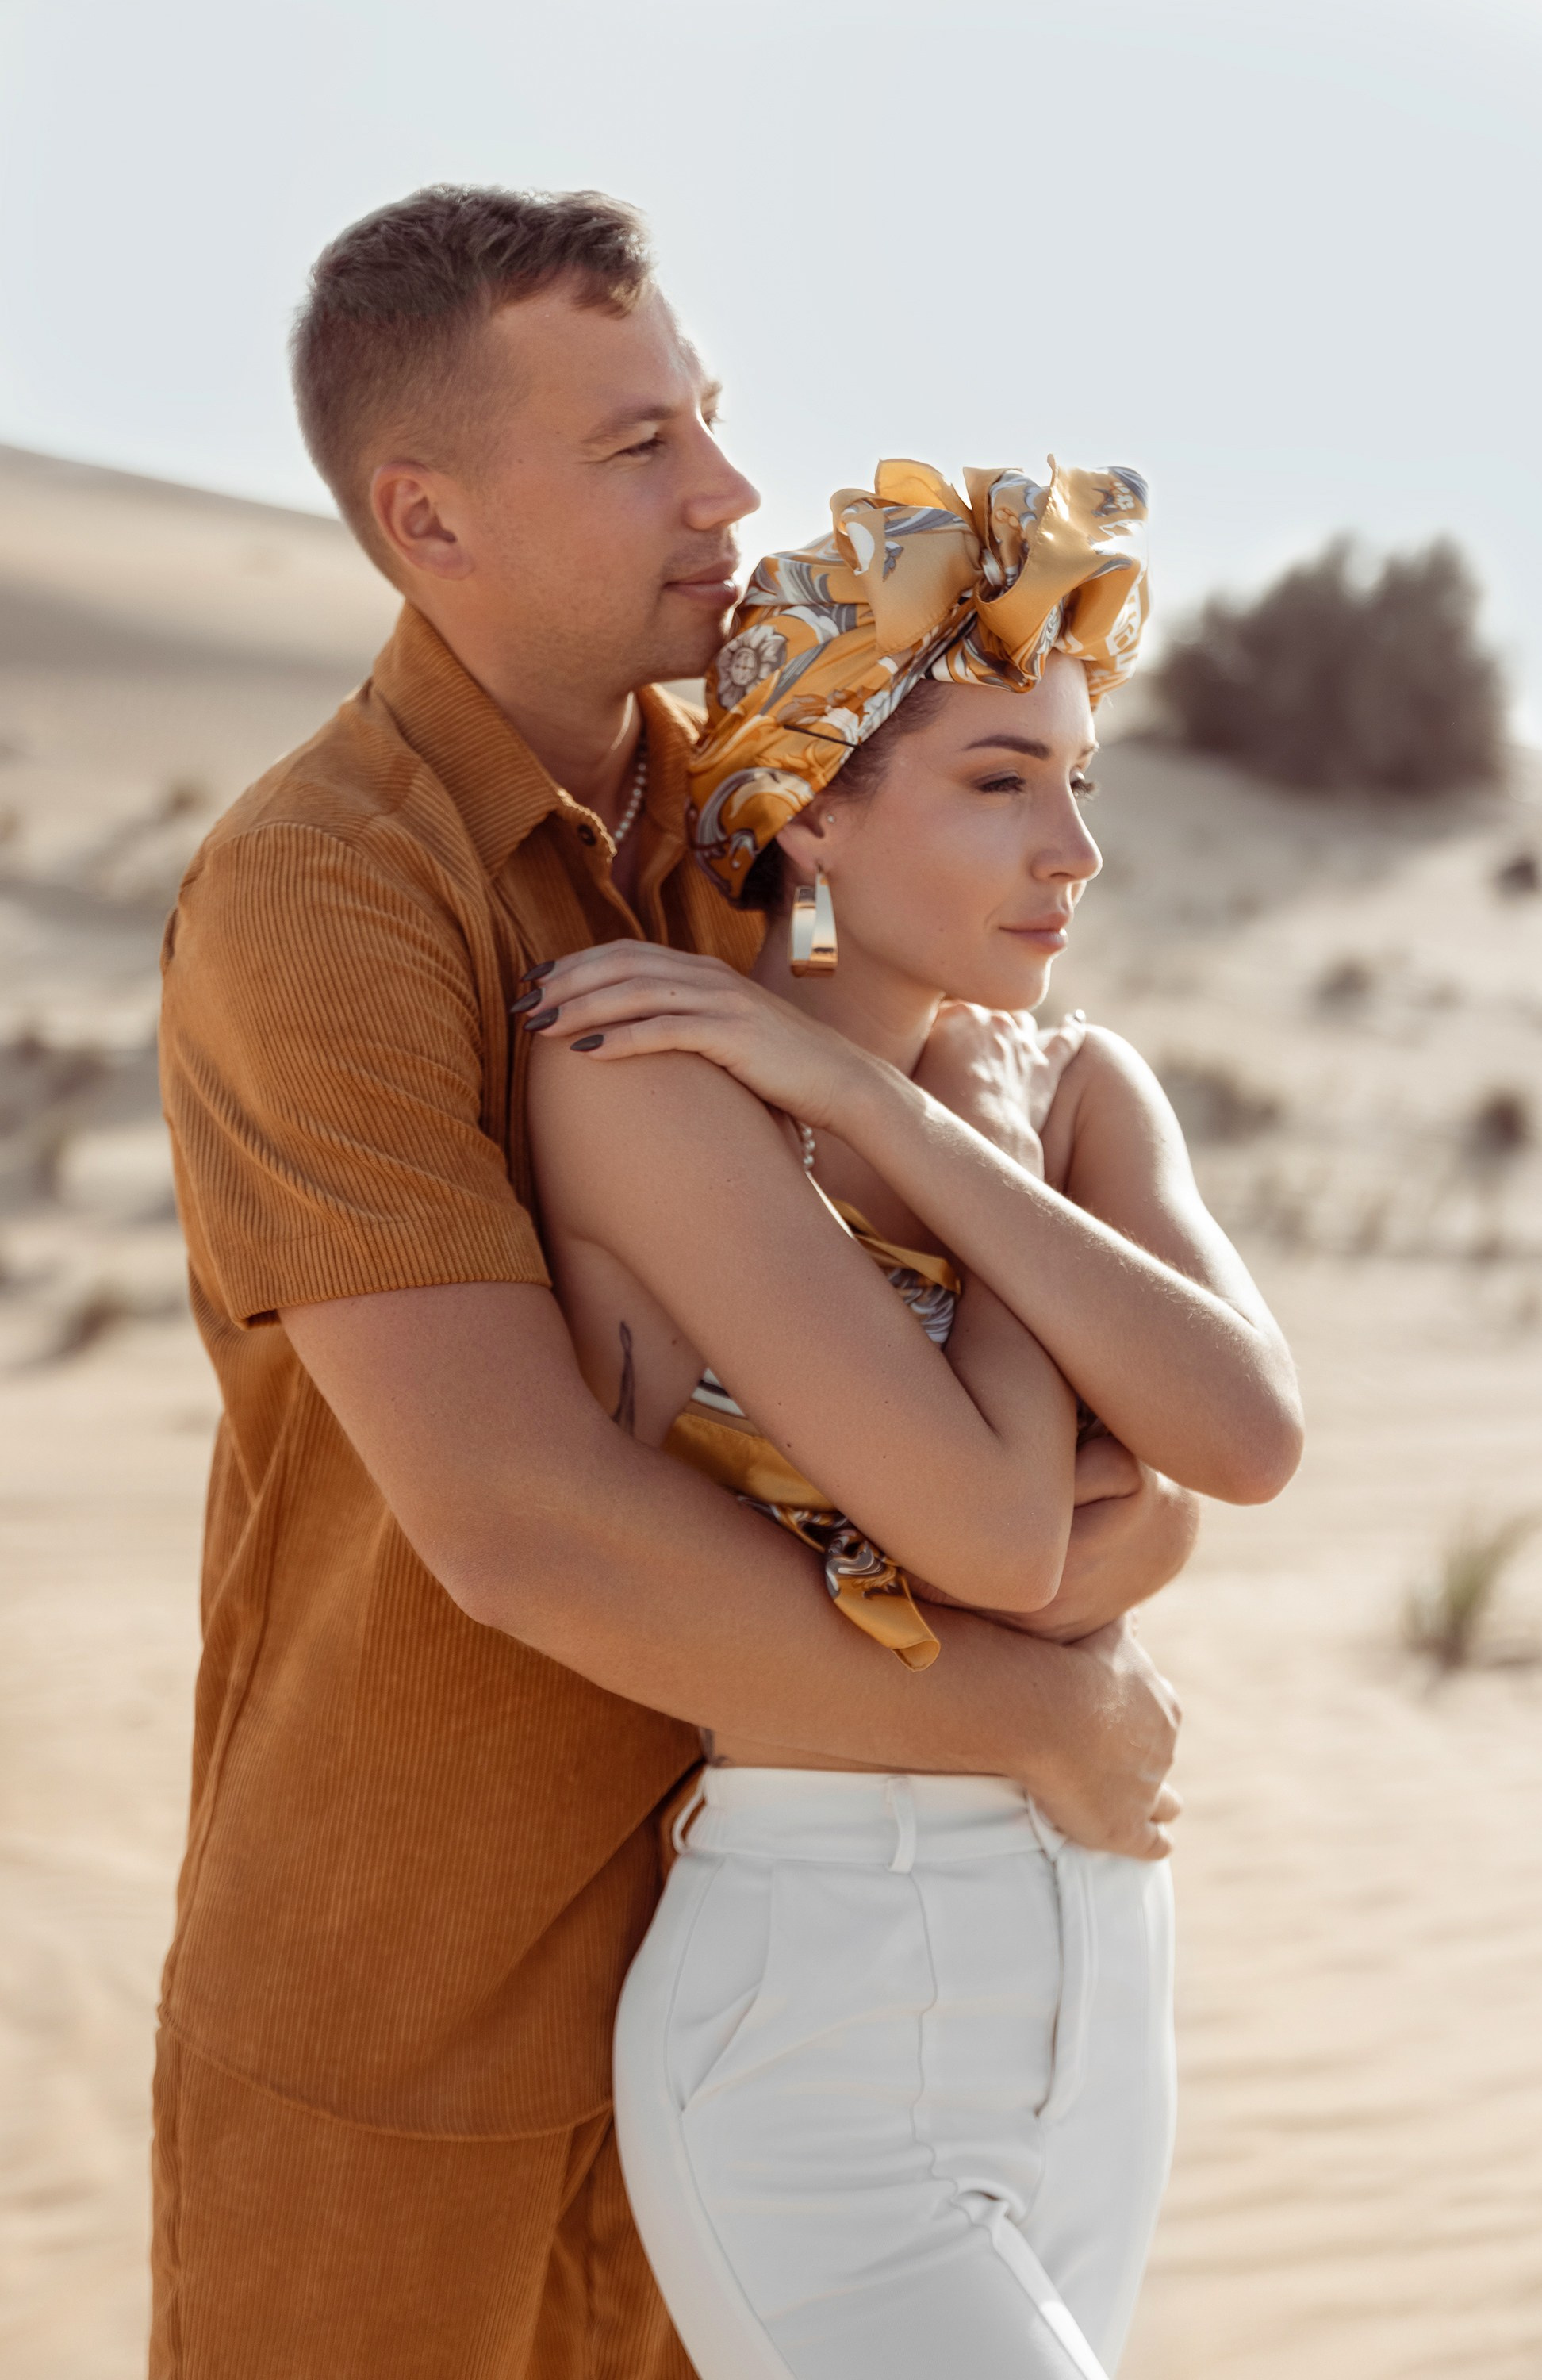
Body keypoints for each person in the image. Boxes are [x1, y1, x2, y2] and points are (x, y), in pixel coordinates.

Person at [154, 185, 1200, 2380]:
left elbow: (1121, 1424)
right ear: (424, 516)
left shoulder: (770, 865)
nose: (728, 489)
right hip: (413, 2012)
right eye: (640, 447)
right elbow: (514, 1511)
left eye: (708, 419)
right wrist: (1026, 1708)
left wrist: (1113, 1510)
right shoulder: (318, 892)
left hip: (780, 1977)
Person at [520, 461, 1303, 2377]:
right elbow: (1012, 1545)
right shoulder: (651, 1077)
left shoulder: (1071, 1082)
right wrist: (988, 1179)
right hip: (816, 2001)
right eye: (995, 781)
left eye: (1080, 783)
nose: (1074, 853)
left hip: (1100, 1957)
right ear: (811, 803)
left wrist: (903, 1120)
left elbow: (1247, 1442)